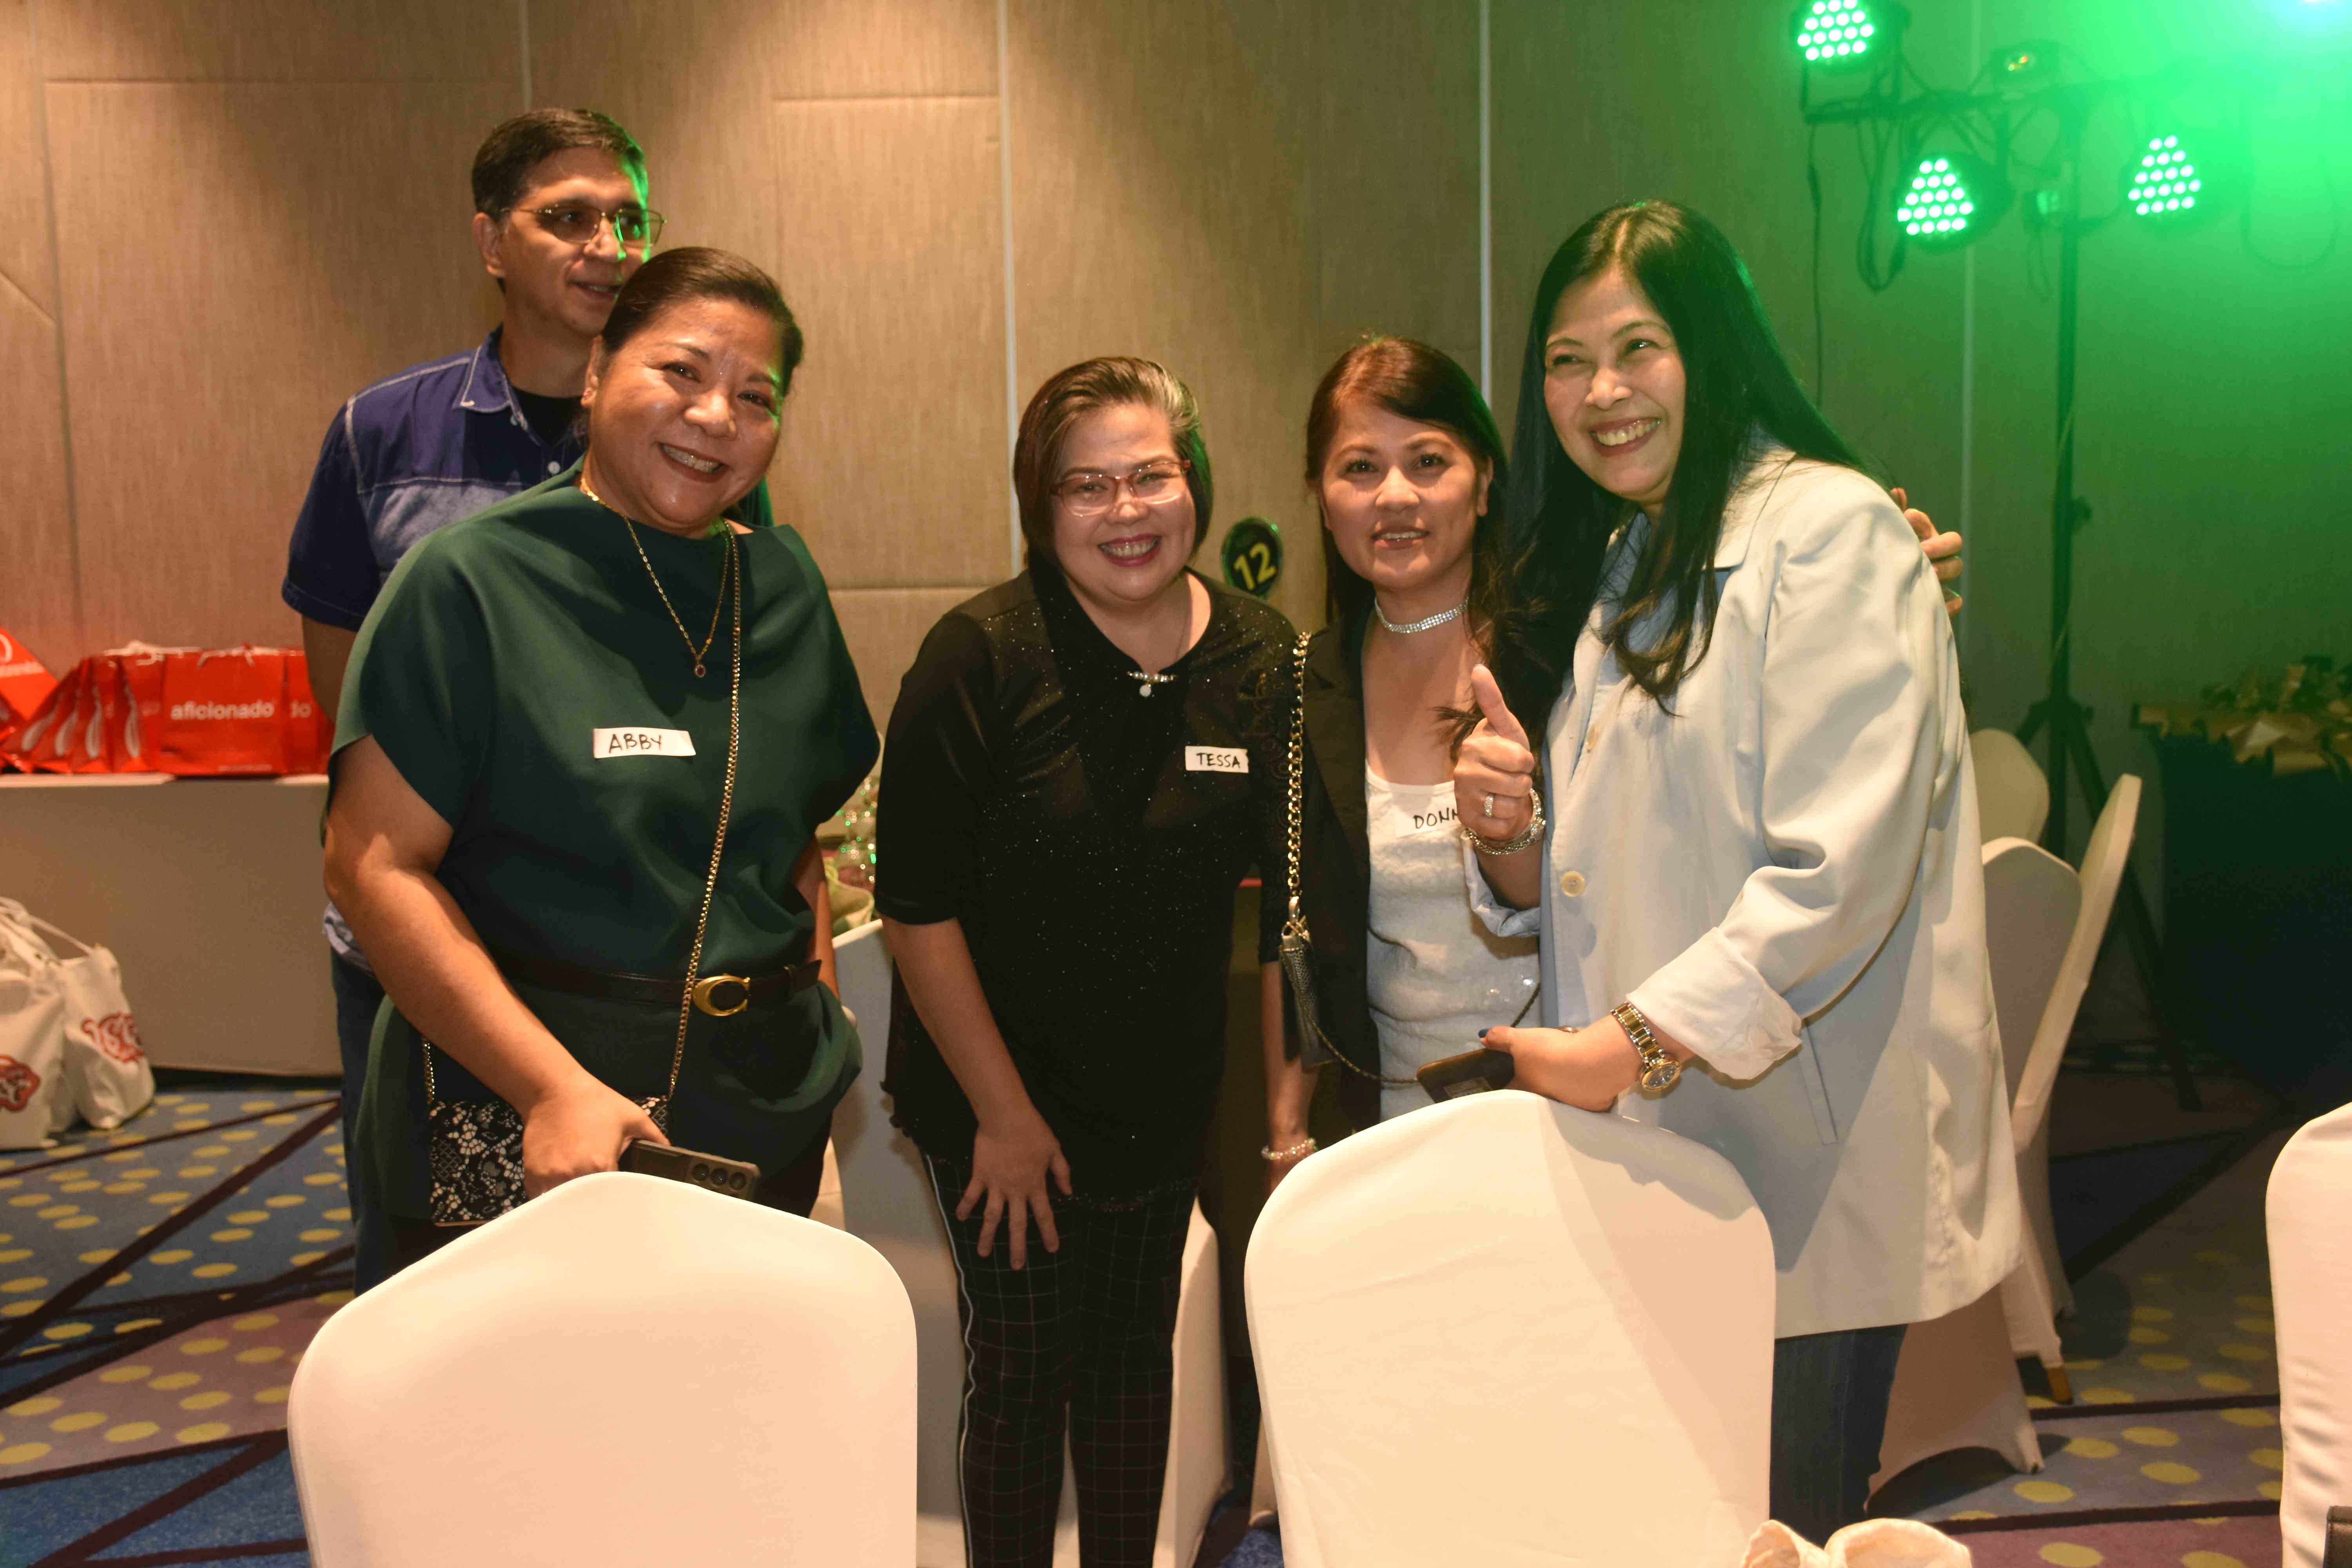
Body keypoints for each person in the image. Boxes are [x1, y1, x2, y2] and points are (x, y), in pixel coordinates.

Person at [1450, 201, 2018, 1539]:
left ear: (1715, 349)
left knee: (1776, 1527)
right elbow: (1624, 865)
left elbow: (1837, 876)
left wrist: (1627, 1046)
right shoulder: (1632, 550)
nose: (1602, 392)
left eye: (1637, 348)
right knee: (1684, 1520)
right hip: (1675, 1146)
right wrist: (1513, 833)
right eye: (1567, 361)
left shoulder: (1830, 531)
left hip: (1801, 1156)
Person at [1261, 337, 1962, 1176]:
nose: (1396, 495)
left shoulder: (1579, 635)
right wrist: (1287, 1130)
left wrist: (1877, 569)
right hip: (1387, 1122)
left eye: (1429, 460)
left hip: (1592, 1101)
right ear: (1320, 496)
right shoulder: (1304, 681)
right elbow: (1292, 930)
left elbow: (1738, 692)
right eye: (1360, 468)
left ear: (1485, 481)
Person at [282, 108, 772, 1289]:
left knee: (638, 1291)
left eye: (631, 219)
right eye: (569, 218)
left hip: (625, 963)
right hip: (429, 938)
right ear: (493, 241)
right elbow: (347, 693)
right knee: (443, 1280)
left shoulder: (696, 438)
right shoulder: (383, 435)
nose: (610, 245)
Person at [322, 248, 873, 1278]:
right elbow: (373, 865)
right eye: (681, 371)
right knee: (522, 1381)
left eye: (756, 395)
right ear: (594, 372)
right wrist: (551, 1087)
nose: (715, 415)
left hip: (756, 1107)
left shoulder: (784, 585)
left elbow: (788, 843)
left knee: (740, 1373)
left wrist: (821, 1009)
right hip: (528, 1109)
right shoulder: (473, 581)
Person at [877, 358, 1291, 1567]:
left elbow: (1289, 910)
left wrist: (1281, 1116)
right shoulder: (981, 654)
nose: (1126, 511)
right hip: (995, 1105)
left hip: (1161, 1099)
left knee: (1130, 1369)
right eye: (1086, 486)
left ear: (1195, 480)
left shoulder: (1261, 655)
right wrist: (1003, 1118)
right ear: (1040, 505)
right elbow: (915, 909)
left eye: (1151, 475)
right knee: (1020, 1374)